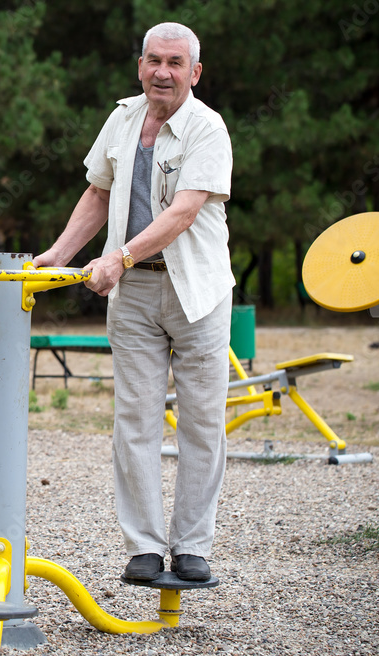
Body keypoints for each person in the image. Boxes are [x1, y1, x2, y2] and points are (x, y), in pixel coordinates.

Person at [33, 22, 233, 582]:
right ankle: (143, 548)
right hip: (136, 292)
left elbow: (184, 211)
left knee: (201, 421)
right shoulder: (122, 118)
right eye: (153, 60)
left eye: (175, 63)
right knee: (135, 420)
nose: (162, 72)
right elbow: (98, 191)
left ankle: (193, 547)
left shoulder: (207, 127)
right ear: (140, 65)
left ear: (194, 72)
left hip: (198, 289)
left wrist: (114, 257)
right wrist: (59, 252)